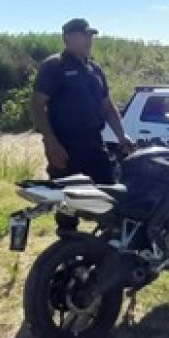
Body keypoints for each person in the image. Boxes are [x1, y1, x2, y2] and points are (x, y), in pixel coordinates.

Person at [30, 18, 134, 232]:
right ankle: (67, 254)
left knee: (110, 196)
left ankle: (106, 251)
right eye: (84, 34)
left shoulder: (94, 69)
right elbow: (37, 105)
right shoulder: (54, 66)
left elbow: (108, 106)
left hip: (95, 144)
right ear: (68, 37)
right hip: (65, 147)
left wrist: (122, 136)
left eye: (91, 35)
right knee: (68, 204)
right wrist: (50, 142)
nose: (89, 39)